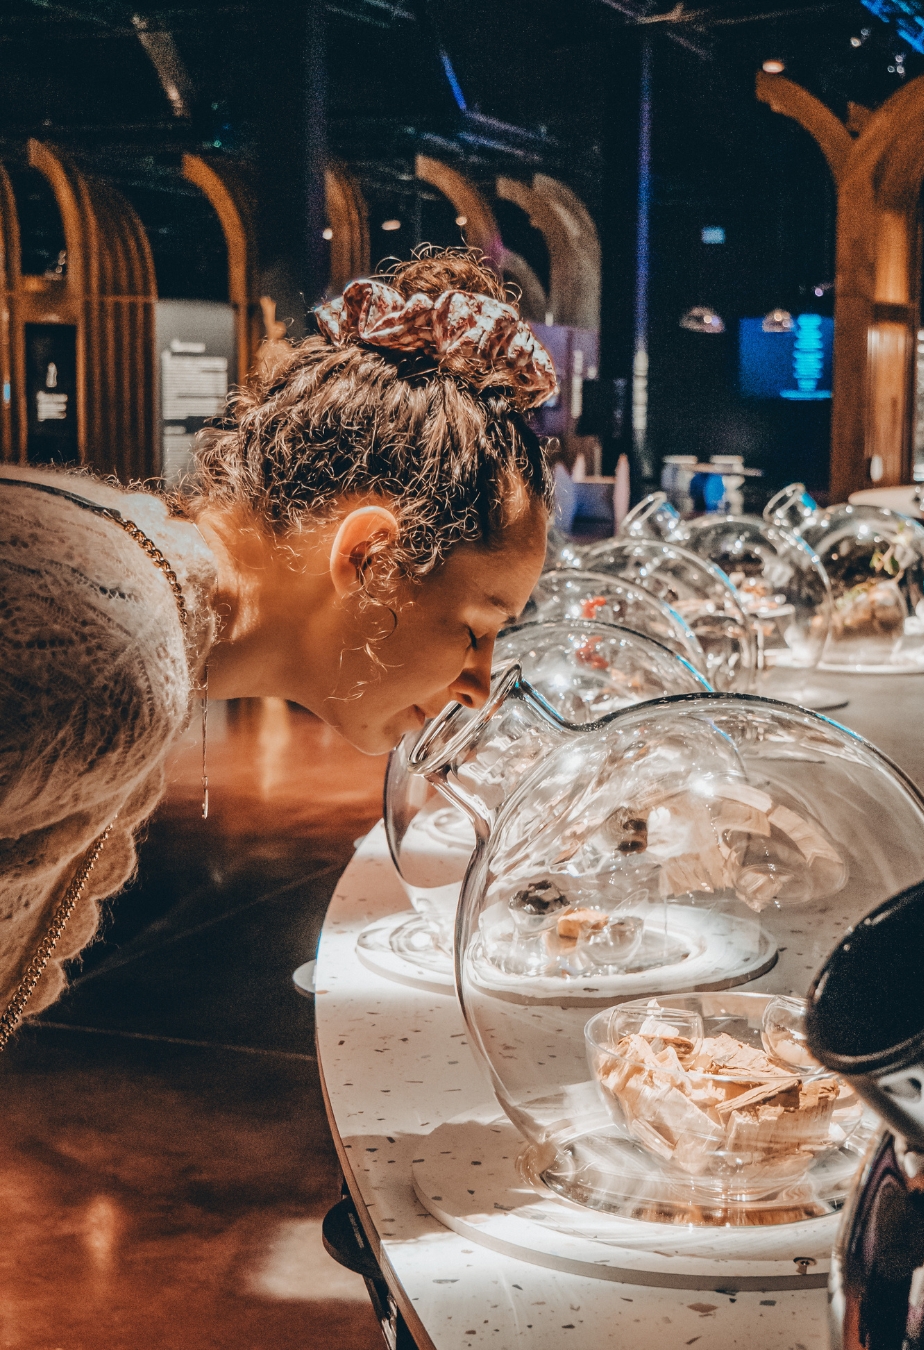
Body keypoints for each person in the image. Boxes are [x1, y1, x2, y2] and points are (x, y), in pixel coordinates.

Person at [0, 249, 555, 1043]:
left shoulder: (141, 603)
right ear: (371, 557)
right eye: (477, 628)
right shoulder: (110, 651)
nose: (478, 684)